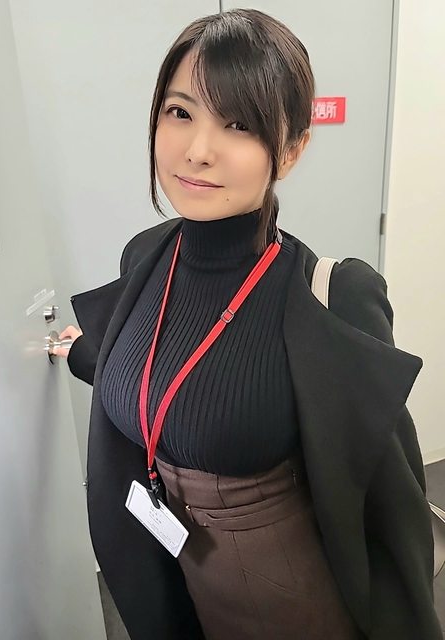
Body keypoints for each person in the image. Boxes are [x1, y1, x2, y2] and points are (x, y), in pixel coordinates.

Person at [53, 8, 442, 640]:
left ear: (291, 148)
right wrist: (82, 354)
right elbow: (168, 375)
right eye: (180, 112)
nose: (198, 151)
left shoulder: (333, 297)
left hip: (291, 609)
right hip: (173, 594)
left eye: (237, 124)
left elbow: (391, 504)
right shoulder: (146, 257)